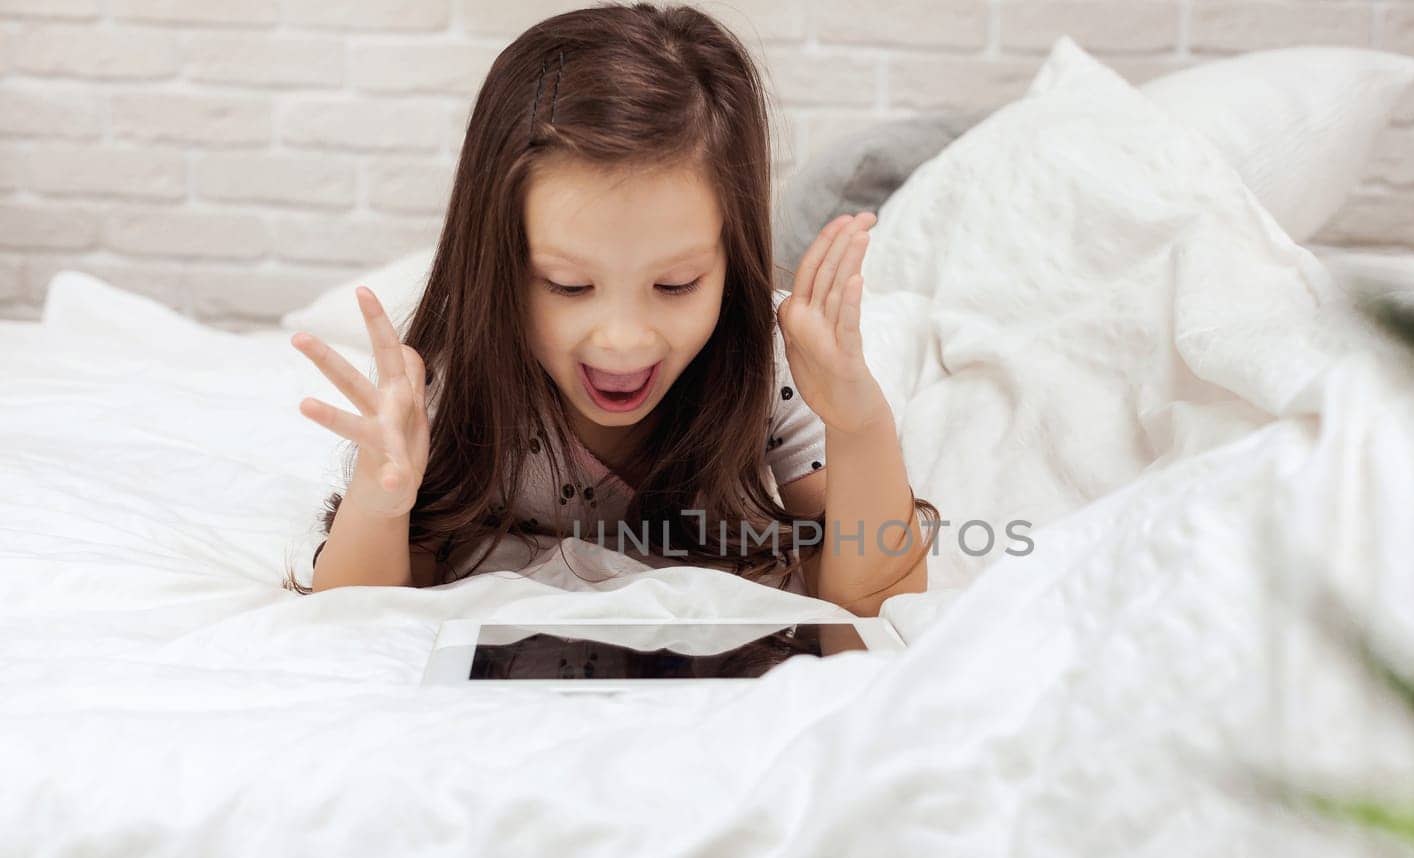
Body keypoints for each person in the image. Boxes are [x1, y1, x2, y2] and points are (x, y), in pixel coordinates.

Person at [280, 2, 939, 616]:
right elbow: (356, 617)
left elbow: (873, 603)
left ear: (731, 260)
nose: (623, 340)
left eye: (676, 283)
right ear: (499, 263)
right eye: (568, 285)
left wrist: (858, 423)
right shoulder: (460, 380)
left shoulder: (767, 363)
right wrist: (379, 502)